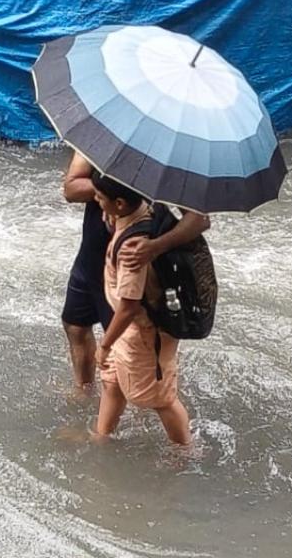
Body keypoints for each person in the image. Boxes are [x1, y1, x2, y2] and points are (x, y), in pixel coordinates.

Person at [90, 169, 209, 445]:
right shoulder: (147, 206)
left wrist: (105, 344)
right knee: (113, 380)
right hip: (127, 328)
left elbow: (130, 306)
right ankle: (101, 436)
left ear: (120, 203)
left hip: (141, 331)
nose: (96, 201)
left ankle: (185, 451)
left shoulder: (135, 247)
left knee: (161, 398)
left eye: (99, 197)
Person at [60, 152, 162, 394]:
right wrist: (108, 189)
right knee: (75, 325)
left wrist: (158, 245)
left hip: (135, 255)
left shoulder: (172, 146)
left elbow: (198, 220)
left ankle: (145, 406)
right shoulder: (104, 134)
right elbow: (71, 188)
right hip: (93, 252)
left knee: (129, 340)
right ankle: (83, 390)